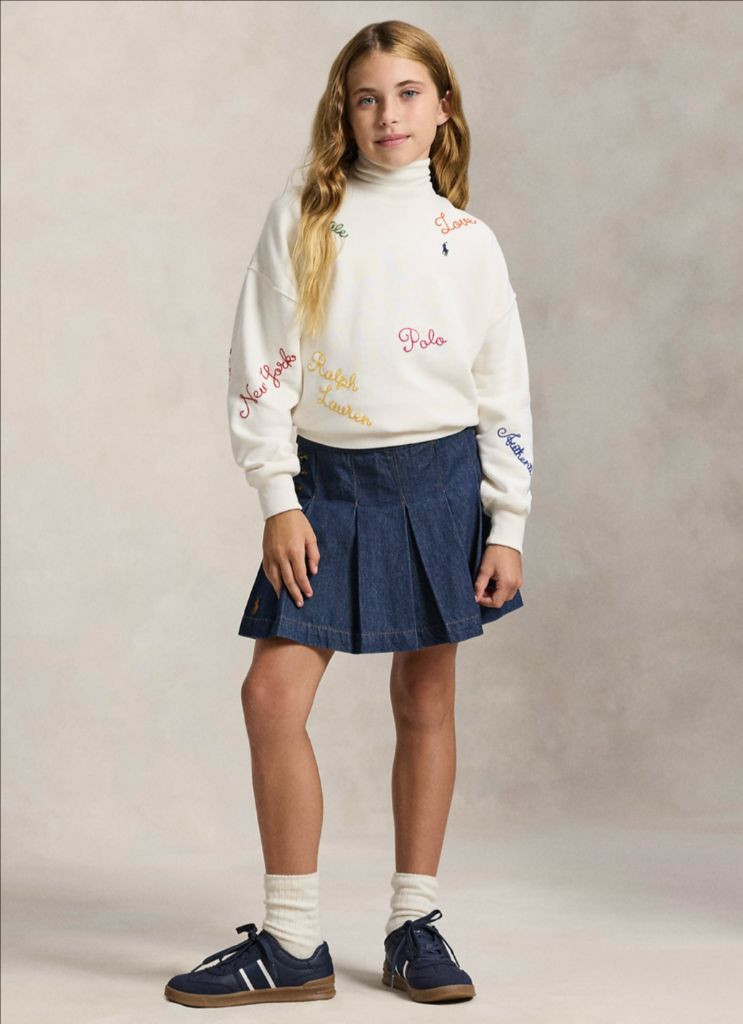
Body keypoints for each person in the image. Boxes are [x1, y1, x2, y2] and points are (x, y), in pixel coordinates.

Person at [164, 18, 534, 1009]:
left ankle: (414, 923)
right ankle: (293, 940)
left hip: (441, 483)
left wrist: (507, 522)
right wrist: (278, 498)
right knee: (271, 697)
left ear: (442, 107)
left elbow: (501, 390)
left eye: (407, 94)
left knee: (425, 702)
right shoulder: (304, 216)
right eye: (366, 97)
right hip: (326, 488)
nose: (387, 114)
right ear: (344, 112)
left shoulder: (468, 242)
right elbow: (262, 362)